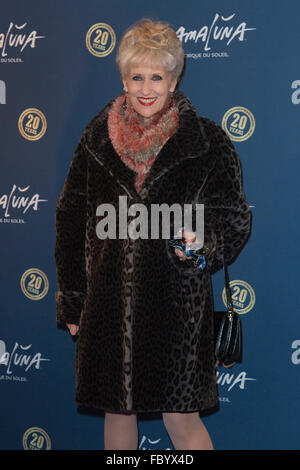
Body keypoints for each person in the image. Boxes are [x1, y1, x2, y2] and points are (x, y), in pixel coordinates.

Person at [54, 18, 252, 450]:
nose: (146, 88)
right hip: (109, 306)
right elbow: (70, 220)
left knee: (181, 419)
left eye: (156, 76)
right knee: (117, 413)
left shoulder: (207, 142)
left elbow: (234, 217)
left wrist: (203, 241)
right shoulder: (96, 139)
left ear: (174, 78)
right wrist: (72, 299)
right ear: (124, 79)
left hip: (177, 308)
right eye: (136, 76)